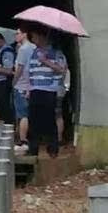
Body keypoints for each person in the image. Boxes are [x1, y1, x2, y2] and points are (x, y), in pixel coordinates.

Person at [24, 24, 67, 158]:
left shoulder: (56, 53)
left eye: (35, 37)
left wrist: (46, 61)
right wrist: (28, 88)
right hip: (35, 89)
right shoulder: (33, 53)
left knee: (49, 119)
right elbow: (30, 71)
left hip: (49, 90)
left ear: (42, 36)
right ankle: (33, 148)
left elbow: (61, 69)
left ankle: (53, 148)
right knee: (33, 120)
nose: (34, 40)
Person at [12, 28, 36, 147]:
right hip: (32, 84)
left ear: (25, 34)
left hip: (21, 84)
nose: (15, 36)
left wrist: (13, 81)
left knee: (22, 114)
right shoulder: (34, 48)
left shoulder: (23, 49)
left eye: (17, 33)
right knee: (28, 113)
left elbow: (20, 69)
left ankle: (22, 140)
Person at [56, 67, 70, 144]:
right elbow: (67, 84)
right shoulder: (64, 64)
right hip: (61, 91)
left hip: (49, 90)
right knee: (58, 115)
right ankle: (59, 138)